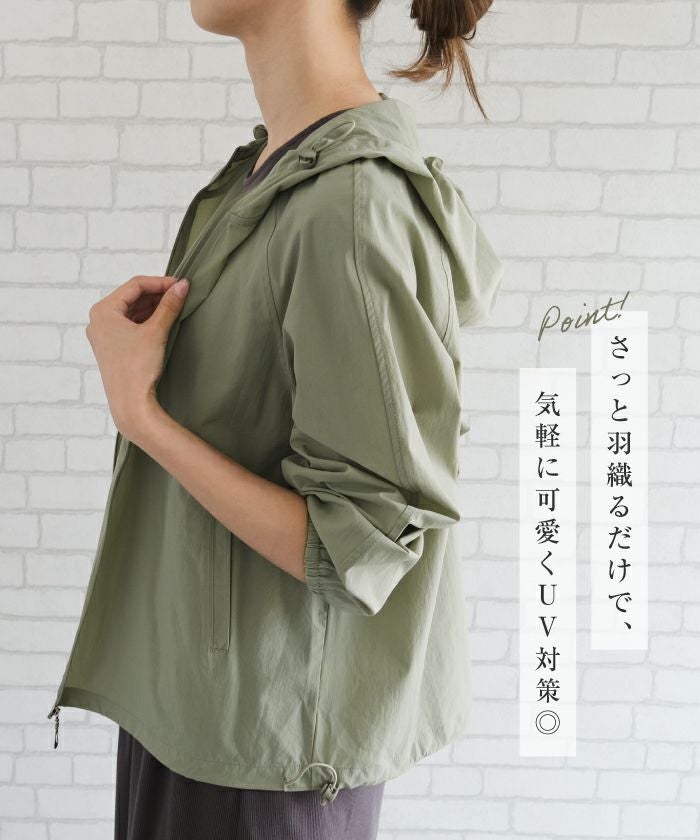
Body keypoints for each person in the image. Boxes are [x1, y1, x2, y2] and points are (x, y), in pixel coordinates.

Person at [46, 0, 503, 837]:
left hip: (265, 757)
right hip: (202, 715)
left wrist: (142, 414)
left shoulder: (351, 206)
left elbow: (358, 545)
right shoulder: (264, 178)